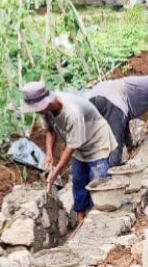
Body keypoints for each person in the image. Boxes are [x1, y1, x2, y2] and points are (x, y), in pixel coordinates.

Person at [21, 81, 117, 225]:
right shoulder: (47, 109)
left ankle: (98, 222)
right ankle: (80, 218)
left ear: (46, 103)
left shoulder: (71, 113)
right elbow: (50, 131)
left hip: (96, 142)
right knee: (79, 181)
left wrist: (55, 173)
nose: (36, 111)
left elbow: (71, 147)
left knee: (98, 183)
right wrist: (49, 154)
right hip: (79, 144)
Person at [88, 73, 148, 166]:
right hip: (111, 100)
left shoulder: (142, 83)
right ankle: (111, 176)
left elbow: (123, 120)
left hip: (93, 96)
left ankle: (92, 169)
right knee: (116, 147)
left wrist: (130, 144)